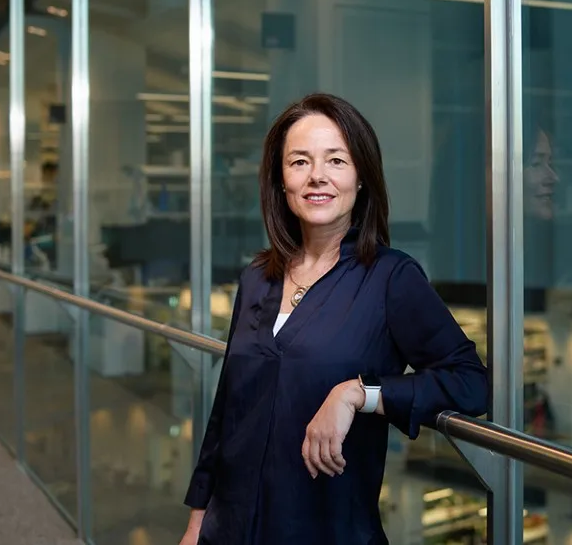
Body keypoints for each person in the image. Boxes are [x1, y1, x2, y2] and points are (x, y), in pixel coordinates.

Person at [179, 93, 489, 545]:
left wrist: (358, 394)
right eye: (299, 162)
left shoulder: (390, 279)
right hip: (230, 528)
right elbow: (227, 412)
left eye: (336, 161)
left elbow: (471, 381)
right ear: (280, 180)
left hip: (324, 529)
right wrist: (196, 523)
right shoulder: (256, 279)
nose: (317, 176)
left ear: (361, 178)